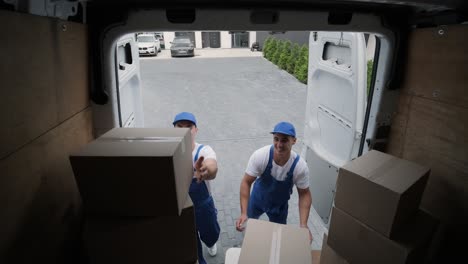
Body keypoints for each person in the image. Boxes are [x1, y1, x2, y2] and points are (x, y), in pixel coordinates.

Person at [235, 121, 313, 242]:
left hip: (279, 207)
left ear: (294, 141)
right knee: (248, 224)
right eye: (276, 139)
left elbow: (304, 194)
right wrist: (243, 212)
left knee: (278, 235)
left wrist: (303, 225)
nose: (279, 144)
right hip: (257, 200)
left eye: (284, 140)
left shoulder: (300, 167)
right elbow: (246, 182)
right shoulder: (261, 156)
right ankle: (248, 241)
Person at [173, 112, 220, 264]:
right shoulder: (169, 153)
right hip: (182, 209)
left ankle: (211, 242)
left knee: (211, 235)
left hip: (203, 206)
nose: (184, 131)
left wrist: (207, 170)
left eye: (189, 127)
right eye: (179, 127)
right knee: (192, 246)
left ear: (196, 130)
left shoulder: (203, 151)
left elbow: (212, 166)